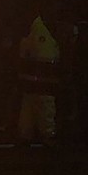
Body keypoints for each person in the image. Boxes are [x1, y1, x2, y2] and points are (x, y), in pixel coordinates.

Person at [17, 13, 60, 146]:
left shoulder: (33, 32)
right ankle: (47, 134)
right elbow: (47, 58)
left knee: (29, 106)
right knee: (44, 105)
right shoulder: (42, 34)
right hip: (43, 82)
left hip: (32, 81)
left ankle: (26, 134)